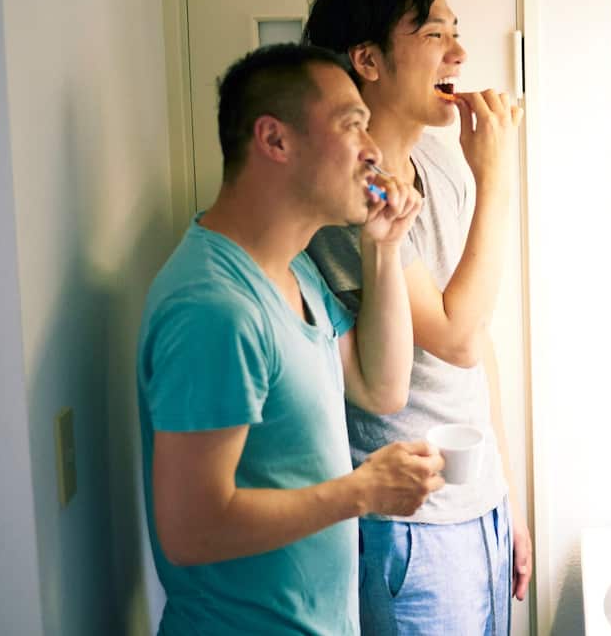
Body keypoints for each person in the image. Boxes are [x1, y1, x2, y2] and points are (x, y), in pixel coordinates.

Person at [137, 43, 445, 635]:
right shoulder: (214, 308)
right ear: (275, 141)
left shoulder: (293, 268)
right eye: (352, 124)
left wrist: (382, 247)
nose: (374, 149)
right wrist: (361, 492)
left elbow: (380, 387)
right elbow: (192, 529)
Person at [304, 0, 530, 635]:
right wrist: (498, 173)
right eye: (435, 35)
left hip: (477, 503)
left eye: (456, 34)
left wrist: (506, 493)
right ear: (367, 60)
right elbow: (454, 339)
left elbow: (479, 329)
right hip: (411, 524)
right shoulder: (356, 192)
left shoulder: (438, 158)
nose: (458, 55)